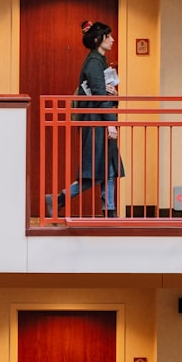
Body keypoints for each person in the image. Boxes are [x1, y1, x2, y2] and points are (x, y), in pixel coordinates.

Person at [46, 20, 125, 218]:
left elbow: (101, 93)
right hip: (96, 121)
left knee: (107, 166)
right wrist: (110, 124)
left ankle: (109, 209)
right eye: (109, 36)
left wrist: (111, 95)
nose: (113, 39)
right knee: (99, 167)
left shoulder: (97, 60)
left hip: (98, 120)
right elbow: (99, 95)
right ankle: (60, 199)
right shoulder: (94, 62)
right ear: (99, 39)